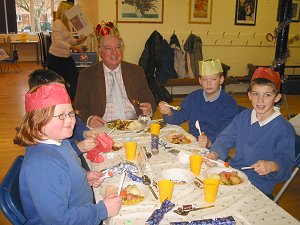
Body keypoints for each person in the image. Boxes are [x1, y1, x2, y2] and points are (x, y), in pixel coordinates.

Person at [14, 83, 122, 224]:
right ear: (37, 122)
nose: (70, 120)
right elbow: (59, 221)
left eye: (71, 113)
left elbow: (65, 172)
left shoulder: (60, 141)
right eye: (61, 115)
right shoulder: (42, 166)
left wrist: (82, 177)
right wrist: (102, 210)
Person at [204, 67, 295, 197]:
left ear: (277, 97)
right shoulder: (244, 116)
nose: (260, 100)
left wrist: (273, 166)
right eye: (256, 94)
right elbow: (225, 139)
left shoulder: (283, 129)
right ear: (249, 96)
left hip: (257, 187)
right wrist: (215, 153)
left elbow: (286, 167)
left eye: (267, 95)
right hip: (234, 174)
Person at [74, 21, 156, 128]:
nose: (114, 53)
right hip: (103, 125)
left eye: (117, 47)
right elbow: (79, 106)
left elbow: (150, 101)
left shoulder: (136, 71)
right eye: (108, 48)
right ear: (100, 52)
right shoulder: (87, 75)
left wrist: (149, 110)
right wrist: (89, 119)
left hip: (133, 124)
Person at [28, 69, 100, 170]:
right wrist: (78, 149)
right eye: (56, 93)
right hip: (71, 161)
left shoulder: (65, 113)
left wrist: (84, 133)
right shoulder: (43, 156)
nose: (69, 120)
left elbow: (77, 124)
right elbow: (60, 159)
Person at [158, 59, 239, 148]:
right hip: (192, 144)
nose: (209, 83)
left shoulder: (229, 104)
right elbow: (178, 118)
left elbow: (226, 133)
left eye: (213, 79)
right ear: (200, 81)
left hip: (215, 148)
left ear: (221, 79)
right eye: (205, 79)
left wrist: (209, 141)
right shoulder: (193, 98)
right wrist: (169, 112)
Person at [47, 1, 87, 100]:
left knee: (75, 79)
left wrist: (78, 41)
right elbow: (58, 42)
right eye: (70, 10)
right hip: (55, 59)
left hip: (66, 58)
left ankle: (77, 103)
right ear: (64, 11)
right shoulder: (58, 23)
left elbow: (69, 40)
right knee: (57, 84)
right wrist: (74, 48)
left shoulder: (67, 23)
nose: (72, 13)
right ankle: (58, 105)